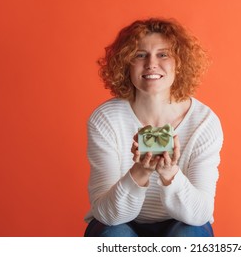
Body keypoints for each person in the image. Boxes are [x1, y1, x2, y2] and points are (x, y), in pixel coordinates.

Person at [84, 18, 223, 237]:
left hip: (181, 222)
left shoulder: (203, 122)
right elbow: (107, 215)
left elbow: (200, 214)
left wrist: (170, 174)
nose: (151, 64)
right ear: (126, 63)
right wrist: (139, 173)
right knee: (115, 235)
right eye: (140, 55)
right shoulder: (106, 119)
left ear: (180, 63)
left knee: (190, 233)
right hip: (118, 223)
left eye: (163, 54)